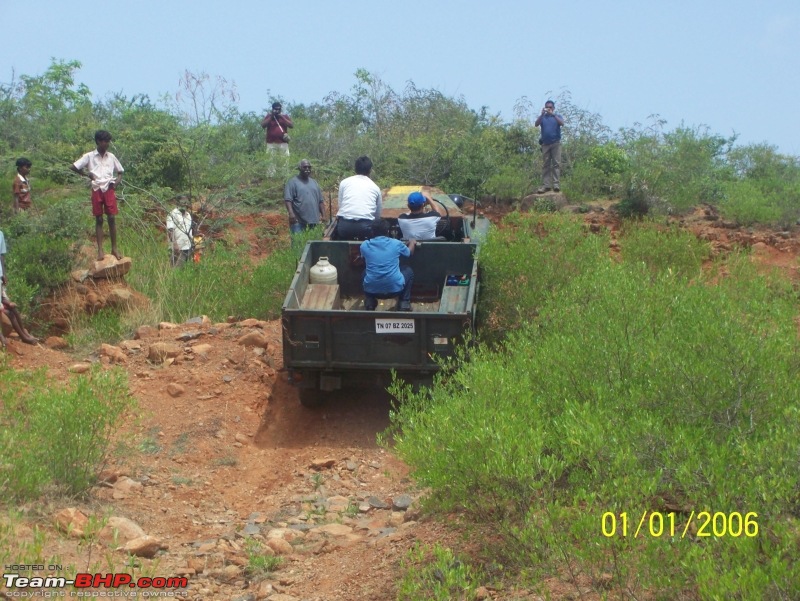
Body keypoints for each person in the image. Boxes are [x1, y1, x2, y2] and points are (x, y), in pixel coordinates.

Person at [70, 130, 125, 260]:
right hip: (96, 188)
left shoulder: (111, 157)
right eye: (104, 141)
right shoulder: (89, 156)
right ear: (98, 142)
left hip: (109, 188)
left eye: (108, 141)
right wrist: (86, 174)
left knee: (111, 217)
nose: (107, 144)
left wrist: (116, 183)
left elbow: (120, 172)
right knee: (99, 218)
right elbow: (73, 167)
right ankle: (100, 250)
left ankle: (114, 249)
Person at [360, 219, 416, 312]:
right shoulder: (396, 243)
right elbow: (409, 253)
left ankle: (370, 302)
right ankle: (404, 302)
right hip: (396, 289)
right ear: (388, 231)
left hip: (372, 290)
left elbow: (364, 258)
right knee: (408, 271)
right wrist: (412, 243)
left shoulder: (364, 245)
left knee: (365, 272)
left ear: (372, 232)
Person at [0, 228, 38, 347]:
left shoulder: (0, 234)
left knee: (13, 309)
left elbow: (1, 257)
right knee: (8, 311)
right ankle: (7, 338)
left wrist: (4, 274)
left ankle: (24, 335)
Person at [336, 156, 382, 240]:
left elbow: (340, 206)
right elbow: (377, 215)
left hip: (345, 227)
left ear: (355, 169)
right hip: (365, 227)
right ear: (370, 170)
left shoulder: (344, 183)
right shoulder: (375, 187)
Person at [284, 159, 324, 234]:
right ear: (299, 168)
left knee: (313, 244)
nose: (307, 169)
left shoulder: (314, 182)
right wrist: (291, 213)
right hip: (298, 222)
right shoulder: (292, 182)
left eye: (309, 167)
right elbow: (288, 199)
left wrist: (323, 215)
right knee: (298, 244)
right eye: (305, 167)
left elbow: (320, 201)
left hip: (314, 222)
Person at [534, 100, 565, 193]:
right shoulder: (543, 117)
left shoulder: (557, 116)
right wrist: (542, 114)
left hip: (556, 143)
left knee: (556, 164)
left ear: (553, 108)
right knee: (546, 165)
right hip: (545, 144)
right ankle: (546, 185)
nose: (549, 108)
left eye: (550, 107)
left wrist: (553, 115)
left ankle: (556, 185)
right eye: (547, 107)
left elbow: (562, 123)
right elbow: (536, 124)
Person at [166, 196, 195, 267]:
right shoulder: (172, 214)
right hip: (177, 248)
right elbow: (170, 230)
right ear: (178, 203)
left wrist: (193, 242)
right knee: (176, 269)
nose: (184, 204)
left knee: (186, 268)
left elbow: (189, 230)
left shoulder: (188, 215)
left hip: (188, 247)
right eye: (183, 203)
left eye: (186, 203)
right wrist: (175, 244)